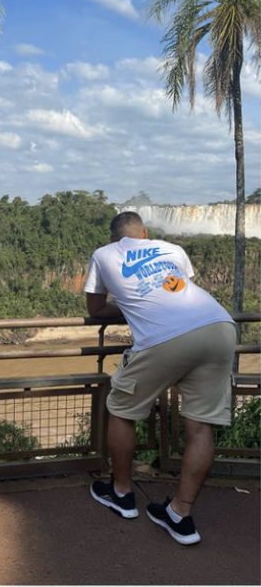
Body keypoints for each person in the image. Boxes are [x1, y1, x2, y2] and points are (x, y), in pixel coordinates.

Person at [85, 210, 236, 545]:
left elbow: (96, 309)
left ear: (114, 239)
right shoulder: (171, 249)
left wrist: (130, 305)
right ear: (145, 233)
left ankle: (122, 494)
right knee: (200, 426)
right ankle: (179, 515)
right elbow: (175, 289)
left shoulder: (103, 254)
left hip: (166, 337)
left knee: (122, 409)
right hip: (220, 327)